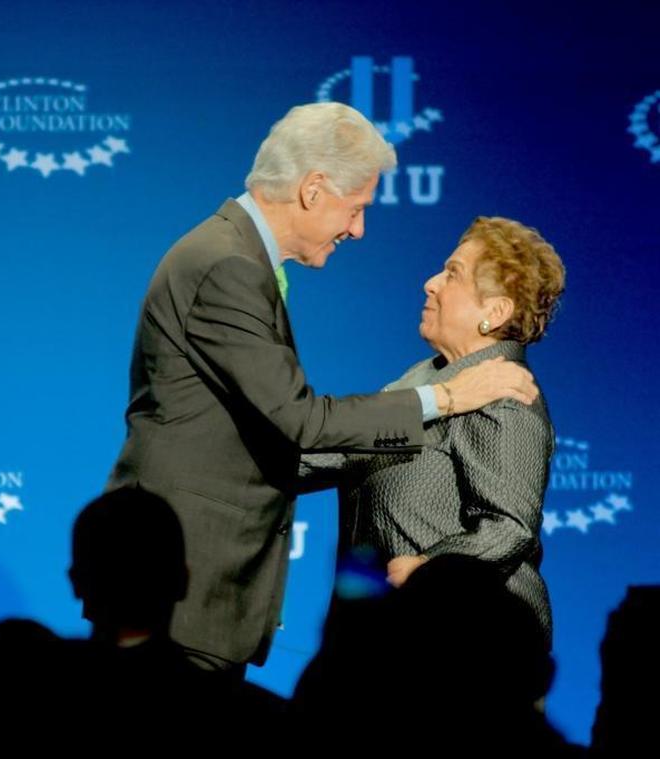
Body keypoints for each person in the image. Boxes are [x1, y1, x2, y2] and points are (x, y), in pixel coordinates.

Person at [106, 102, 539, 674]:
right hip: (183, 576)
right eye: (356, 208)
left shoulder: (234, 258)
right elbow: (302, 423)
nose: (358, 229)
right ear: (312, 190)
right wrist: (449, 398)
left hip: (201, 584)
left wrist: (431, 567)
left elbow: (507, 525)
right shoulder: (228, 266)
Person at [301, 215, 565, 648]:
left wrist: (427, 571)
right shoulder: (422, 380)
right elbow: (341, 450)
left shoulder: (506, 393)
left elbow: (509, 528)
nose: (430, 282)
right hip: (386, 640)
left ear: (494, 312)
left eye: (453, 274)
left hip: (463, 650)